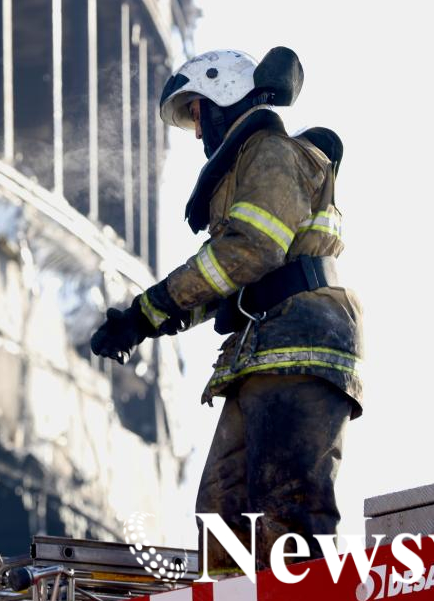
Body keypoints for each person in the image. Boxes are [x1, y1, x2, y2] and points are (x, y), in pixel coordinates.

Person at [90, 47, 364, 573]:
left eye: (197, 113)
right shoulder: (247, 166)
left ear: (224, 96)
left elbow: (252, 250)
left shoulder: (270, 152)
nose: (198, 131)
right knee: (222, 511)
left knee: (288, 510)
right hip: (263, 347)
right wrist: (141, 322)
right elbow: (228, 278)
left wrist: (152, 307)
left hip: (301, 342)